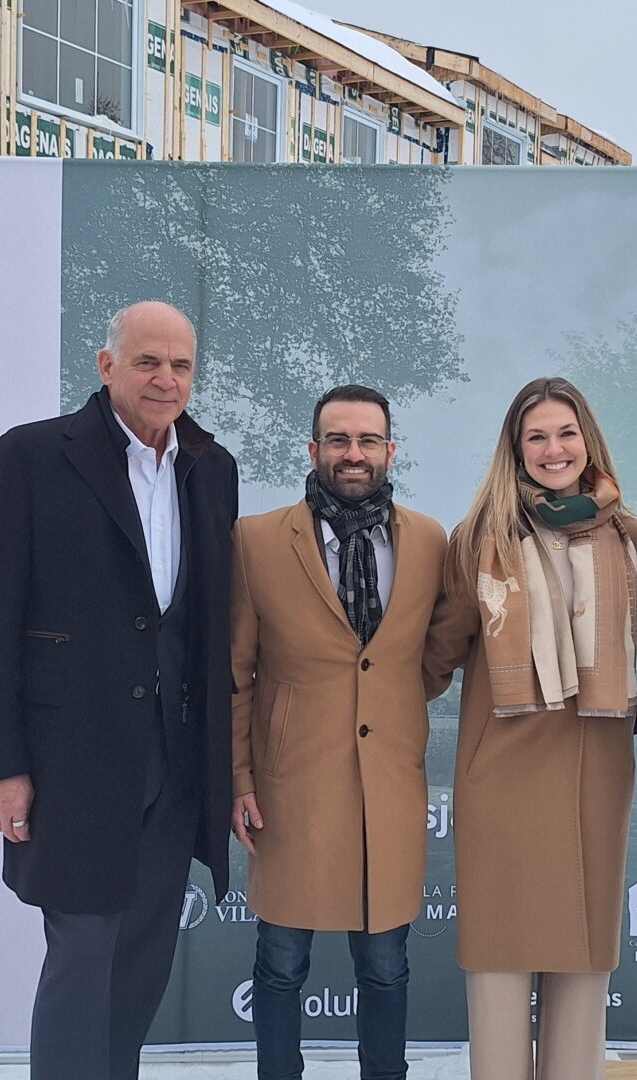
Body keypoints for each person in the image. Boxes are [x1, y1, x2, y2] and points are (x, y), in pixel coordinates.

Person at [0, 300, 239, 1080]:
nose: (166, 378)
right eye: (148, 361)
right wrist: (1, 765)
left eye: (181, 365)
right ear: (106, 364)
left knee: (143, 959)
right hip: (69, 763)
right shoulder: (33, 457)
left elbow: (205, 622)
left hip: (175, 765)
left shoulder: (210, 467)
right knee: (83, 953)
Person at [423, 376, 637, 1080]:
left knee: (583, 964)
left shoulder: (629, 536)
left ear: (588, 440)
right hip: (504, 776)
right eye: (537, 436)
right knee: (499, 961)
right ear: (515, 449)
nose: (554, 449)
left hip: (595, 769)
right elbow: (434, 654)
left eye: (565, 433)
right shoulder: (479, 539)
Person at [229, 385, 457, 1080]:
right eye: (338, 440)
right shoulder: (258, 539)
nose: (352, 454)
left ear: (390, 451)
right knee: (281, 961)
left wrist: (390, 699)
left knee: (386, 966)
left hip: (387, 785)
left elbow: (436, 650)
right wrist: (237, 778)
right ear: (314, 449)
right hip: (291, 785)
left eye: (366, 441)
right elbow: (237, 671)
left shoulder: (428, 540)